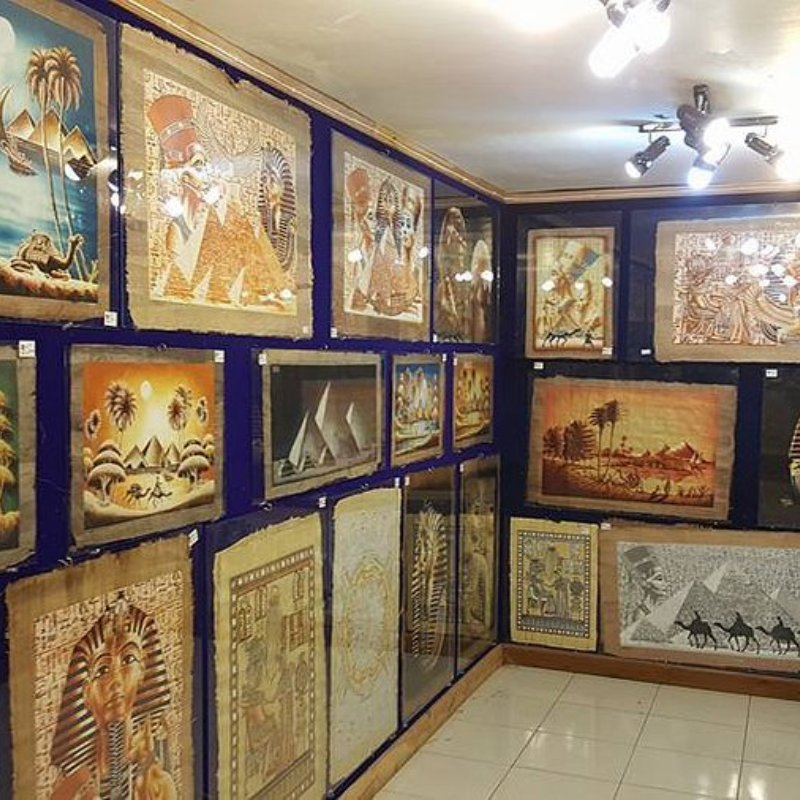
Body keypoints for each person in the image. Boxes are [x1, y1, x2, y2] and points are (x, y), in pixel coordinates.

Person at [49, 595, 176, 800]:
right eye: (102, 670)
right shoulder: (74, 785)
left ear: (143, 671)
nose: (116, 681)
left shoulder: (157, 779)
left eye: (128, 659)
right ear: (86, 692)